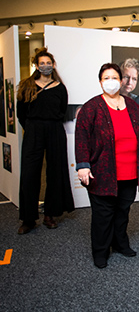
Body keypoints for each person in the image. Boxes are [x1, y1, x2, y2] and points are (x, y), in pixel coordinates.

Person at [75, 63, 139, 269]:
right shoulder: (91, 108)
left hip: (129, 170)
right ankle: (100, 251)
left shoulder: (133, 106)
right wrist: (83, 165)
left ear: (122, 80)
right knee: (103, 214)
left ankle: (120, 243)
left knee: (123, 210)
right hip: (102, 171)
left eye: (114, 77)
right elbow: (81, 138)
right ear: (100, 82)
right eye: (106, 78)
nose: (111, 81)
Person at [16, 47, 75, 234]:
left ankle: (50, 214)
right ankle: (28, 218)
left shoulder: (60, 88)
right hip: (33, 130)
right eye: (42, 63)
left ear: (53, 65)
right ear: (36, 65)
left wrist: (49, 125)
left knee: (55, 171)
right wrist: (33, 127)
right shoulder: (27, 85)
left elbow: (62, 110)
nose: (46, 66)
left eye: (48, 63)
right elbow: (21, 114)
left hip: (55, 130)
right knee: (29, 173)